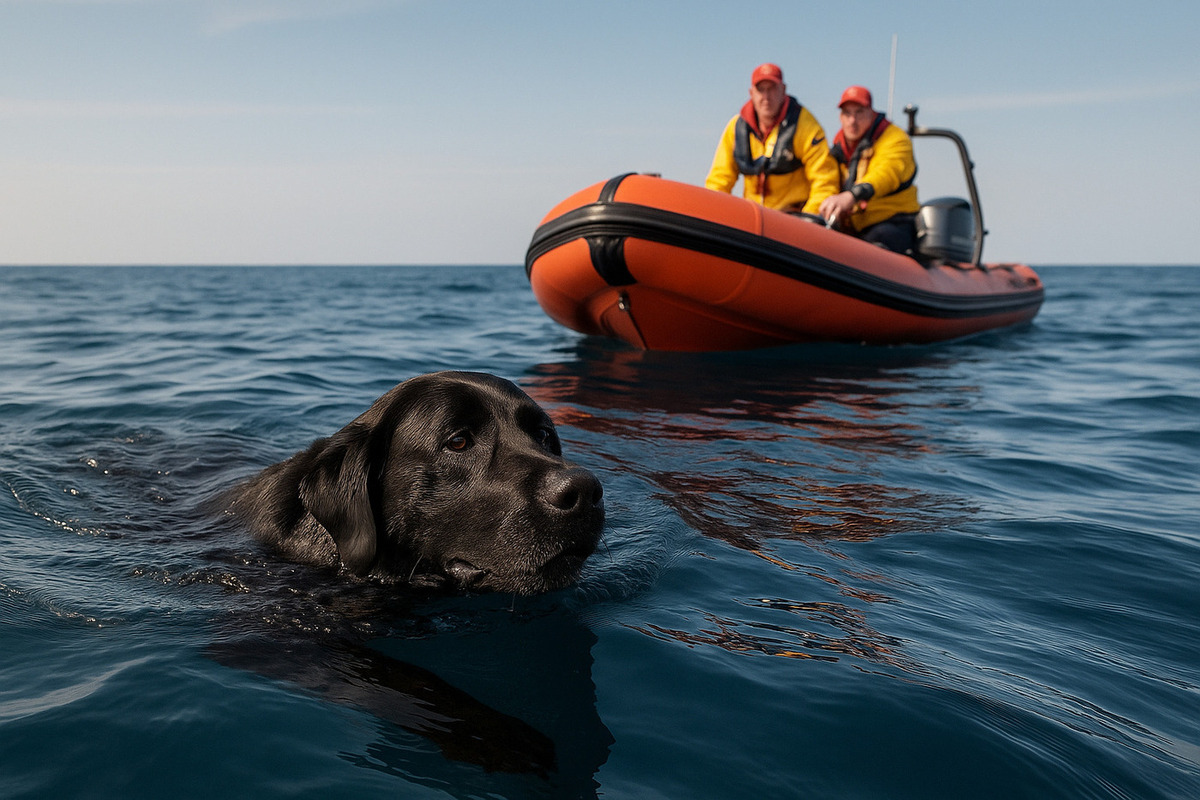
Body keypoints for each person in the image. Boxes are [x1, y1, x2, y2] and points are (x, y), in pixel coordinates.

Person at [705, 63, 840, 216]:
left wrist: (808, 220)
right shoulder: (736, 128)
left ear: (783, 90)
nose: (766, 97)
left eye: (772, 89)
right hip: (753, 219)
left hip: (793, 219)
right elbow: (719, 179)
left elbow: (825, 181)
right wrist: (713, 213)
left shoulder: (806, 126)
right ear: (751, 93)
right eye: (761, 89)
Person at [819, 86, 920, 253]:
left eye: (859, 112)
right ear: (840, 117)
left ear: (871, 113)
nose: (853, 120)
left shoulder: (896, 139)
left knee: (873, 246)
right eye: (847, 113)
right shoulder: (838, 148)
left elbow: (886, 174)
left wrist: (852, 196)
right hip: (853, 227)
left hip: (892, 223)